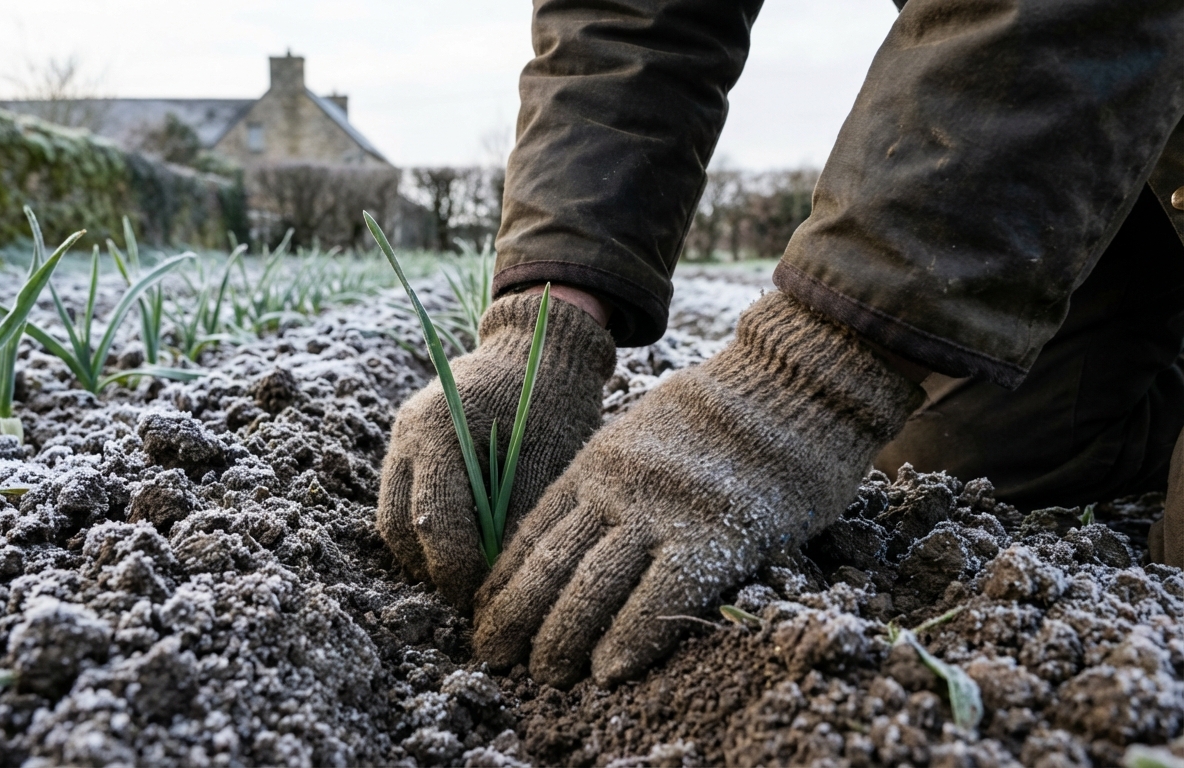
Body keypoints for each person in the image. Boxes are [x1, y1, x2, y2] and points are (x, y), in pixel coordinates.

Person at [378, 0, 1184, 689]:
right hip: (1100, 102)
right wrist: (546, 320)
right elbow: (630, 21)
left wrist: (813, 380)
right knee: (972, 454)